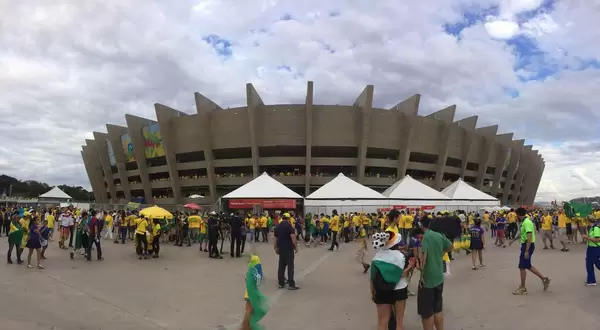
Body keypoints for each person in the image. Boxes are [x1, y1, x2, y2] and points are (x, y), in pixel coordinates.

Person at [370, 230, 415, 330]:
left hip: (382, 291)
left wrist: (372, 292)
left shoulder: (376, 257)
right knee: (399, 321)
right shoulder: (401, 256)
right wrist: (410, 266)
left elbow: (372, 277)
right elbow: (402, 274)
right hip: (400, 289)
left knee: (382, 322)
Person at [418, 217, 452, 330]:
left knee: (427, 313)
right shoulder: (439, 235)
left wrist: (421, 273)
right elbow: (450, 246)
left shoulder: (426, 237)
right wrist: (440, 254)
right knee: (438, 309)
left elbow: (424, 258)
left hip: (428, 280)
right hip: (439, 277)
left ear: (422, 225)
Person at [509, 207, 551, 295]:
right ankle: (544, 279)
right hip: (526, 245)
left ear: (518, 215)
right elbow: (521, 233)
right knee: (527, 265)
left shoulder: (527, 222)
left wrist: (527, 250)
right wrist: (513, 240)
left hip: (527, 245)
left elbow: (529, 236)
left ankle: (523, 288)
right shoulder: (524, 222)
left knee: (522, 267)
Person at [274, 212, 299, 290]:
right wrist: (296, 247)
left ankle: (281, 283)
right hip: (288, 249)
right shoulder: (289, 226)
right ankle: (291, 284)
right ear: (288, 219)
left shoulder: (277, 226)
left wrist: (275, 248)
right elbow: (293, 237)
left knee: (281, 267)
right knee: (290, 266)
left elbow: (275, 238)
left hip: (281, 249)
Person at [582, 217, 600, 286]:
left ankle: (591, 280)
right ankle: (591, 280)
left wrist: (587, 238)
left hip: (595, 248)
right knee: (589, 264)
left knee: (597, 264)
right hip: (590, 248)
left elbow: (597, 239)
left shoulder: (596, 228)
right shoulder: (591, 228)